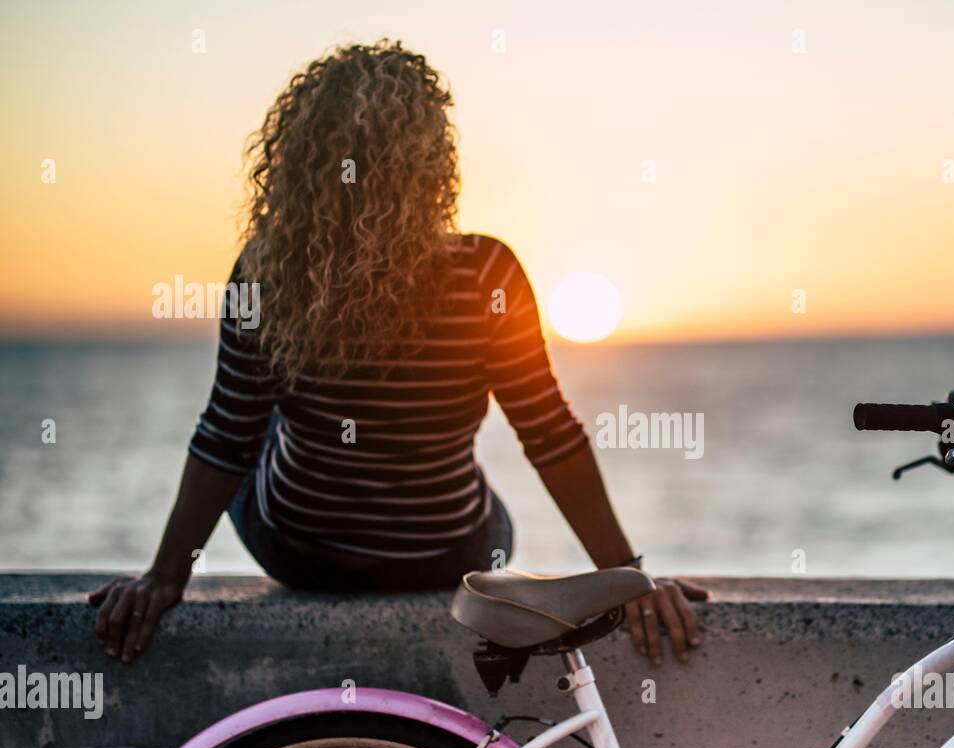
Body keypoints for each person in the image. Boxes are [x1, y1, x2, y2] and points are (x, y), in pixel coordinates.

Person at [90, 40, 706, 666]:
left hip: (302, 553)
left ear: (296, 161)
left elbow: (227, 436)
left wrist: (164, 577)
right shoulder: (487, 272)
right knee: (474, 485)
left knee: (262, 414)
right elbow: (548, 433)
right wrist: (628, 577)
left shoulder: (264, 272)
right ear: (432, 163)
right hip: (446, 556)